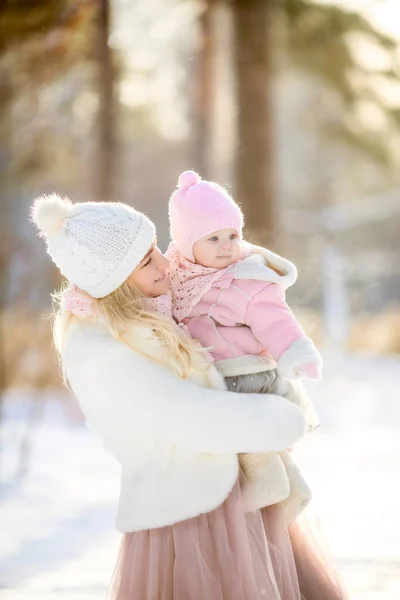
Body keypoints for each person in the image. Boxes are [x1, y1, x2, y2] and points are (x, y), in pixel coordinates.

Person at [31, 192, 347, 600]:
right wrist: (274, 420)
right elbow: (183, 415)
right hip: (188, 515)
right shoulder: (105, 348)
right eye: (147, 261)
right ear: (114, 280)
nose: (165, 261)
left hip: (232, 492)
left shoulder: (152, 311)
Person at [167, 170, 321, 522]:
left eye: (233, 235)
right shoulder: (179, 277)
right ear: (187, 243)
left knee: (258, 456)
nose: (226, 245)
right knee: (276, 457)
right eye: (213, 238)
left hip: (242, 381)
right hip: (231, 379)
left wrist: (297, 351)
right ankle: (293, 493)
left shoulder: (242, 280)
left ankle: (252, 505)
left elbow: (275, 319)